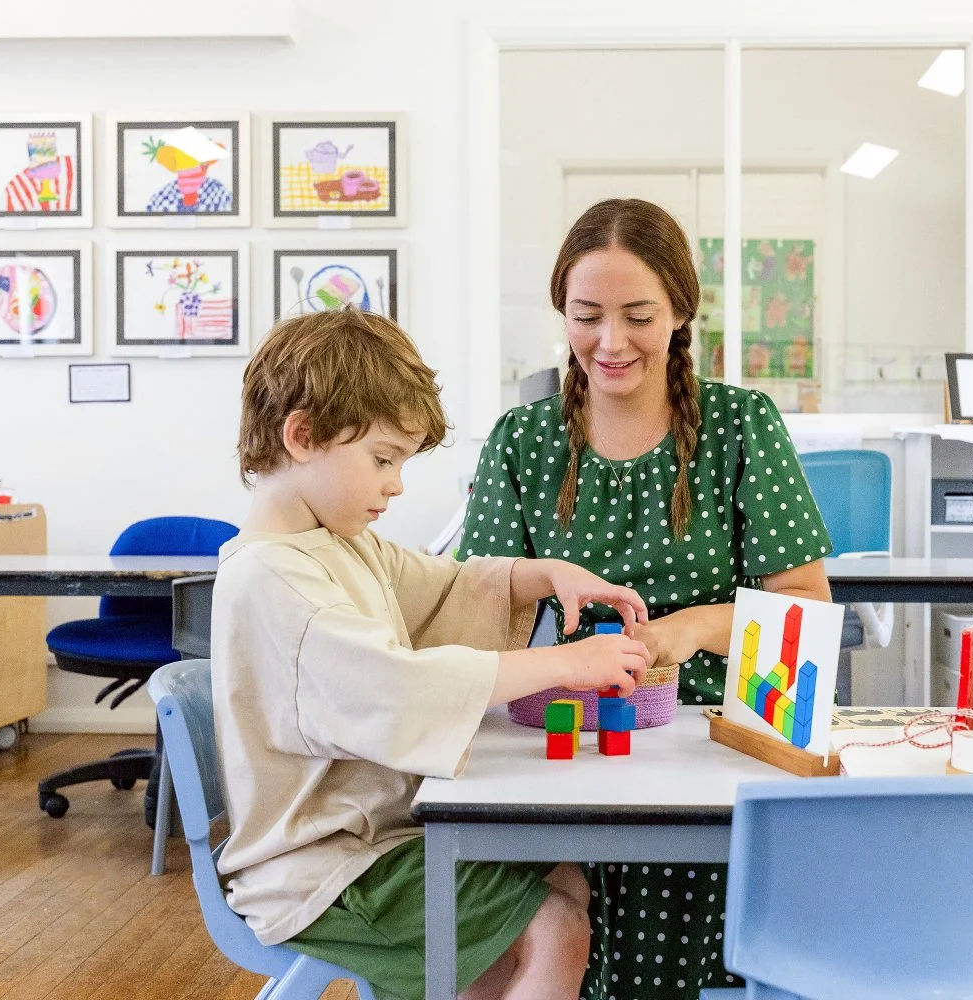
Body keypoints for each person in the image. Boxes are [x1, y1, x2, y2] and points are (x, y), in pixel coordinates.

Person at [211, 307, 654, 1000]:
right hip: (325, 870)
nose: (395, 484)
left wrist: (546, 574)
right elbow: (399, 687)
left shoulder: (339, 544)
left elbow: (448, 586)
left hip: (374, 843)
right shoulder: (274, 577)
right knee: (556, 925)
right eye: (383, 459)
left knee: (560, 874)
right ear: (302, 436)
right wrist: (570, 663)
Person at [461, 198, 834, 999]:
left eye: (637, 316)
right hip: (551, 753)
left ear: (680, 313)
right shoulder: (522, 442)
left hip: (708, 755)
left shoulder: (742, 427)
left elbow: (806, 612)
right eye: (586, 316)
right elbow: (471, 611)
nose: (610, 342)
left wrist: (693, 628)